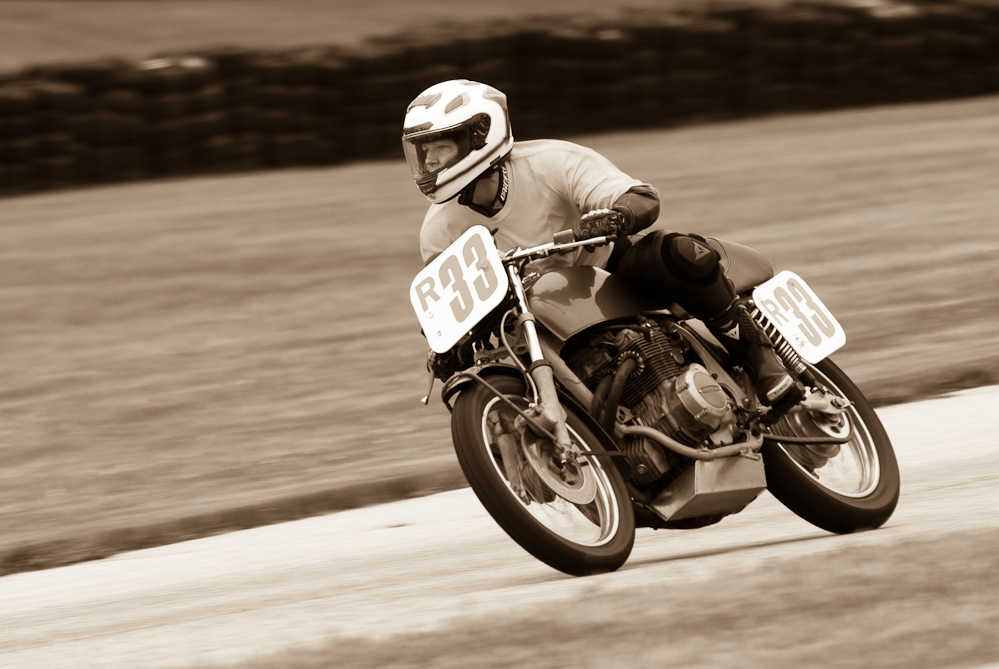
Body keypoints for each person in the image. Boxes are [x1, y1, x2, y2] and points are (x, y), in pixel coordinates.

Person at [403, 79, 803, 409]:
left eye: (442, 146)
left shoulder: (552, 161)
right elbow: (447, 301)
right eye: (425, 152)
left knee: (672, 252)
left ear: (479, 135)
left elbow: (638, 195)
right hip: (533, 317)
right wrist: (442, 341)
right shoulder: (438, 230)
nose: (431, 163)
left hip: (608, 268)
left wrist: (616, 215)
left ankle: (761, 361)